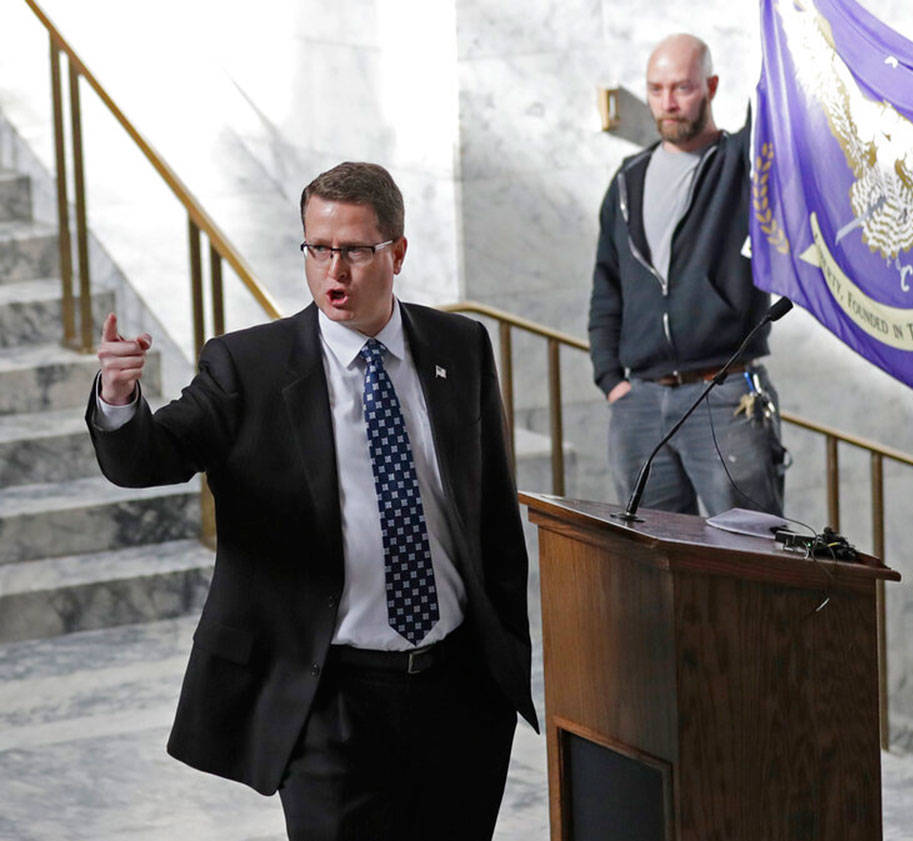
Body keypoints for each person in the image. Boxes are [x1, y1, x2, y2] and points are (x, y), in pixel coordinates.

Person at [87, 162, 536, 840]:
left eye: (355, 250)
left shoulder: (459, 346)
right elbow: (154, 456)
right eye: (318, 248)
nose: (335, 269)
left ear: (398, 252)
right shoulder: (249, 367)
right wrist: (119, 400)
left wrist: (504, 657)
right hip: (332, 698)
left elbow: (492, 517)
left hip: (460, 693)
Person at [588, 32, 785, 517]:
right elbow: (606, 289)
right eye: (656, 90)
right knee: (649, 564)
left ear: (712, 86)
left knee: (750, 558)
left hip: (724, 396)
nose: (668, 103)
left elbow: (780, 108)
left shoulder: (742, 163)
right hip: (639, 403)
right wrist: (611, 379)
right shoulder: (627, 181)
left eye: (682, 88)